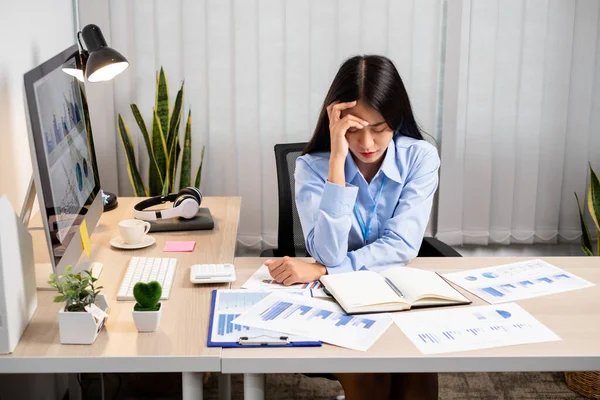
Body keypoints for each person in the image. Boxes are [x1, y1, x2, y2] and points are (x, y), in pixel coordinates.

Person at [265, 55, 440, 400]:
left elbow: (401, 246)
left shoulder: (420, 158)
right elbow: (327, 250)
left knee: (417, 375)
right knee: (370, 370)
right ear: (337, 123)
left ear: (396, 120)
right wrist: (336, 161)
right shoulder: (311, 167)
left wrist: (325, 269)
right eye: (354, 130)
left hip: (397, 296)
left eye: (380, 129)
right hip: (335, 303)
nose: (368, 144)